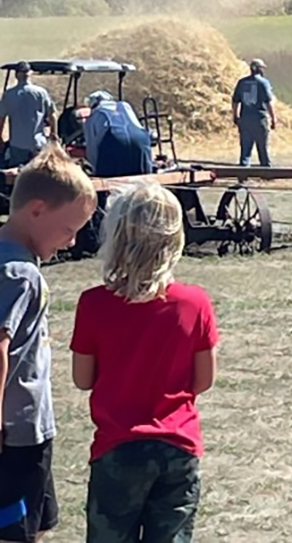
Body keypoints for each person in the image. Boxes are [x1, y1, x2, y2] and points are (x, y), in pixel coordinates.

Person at [70, 182, 218, 543]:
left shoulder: (94, 304)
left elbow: (82, 378)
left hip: (118, 447)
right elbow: (204, 380)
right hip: (178, 446)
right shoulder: (194, 303)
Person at [0, 146, 96, 543]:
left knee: (35, 524)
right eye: (68, 229)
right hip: (16, 435)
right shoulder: (19, 273)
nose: (72, 242)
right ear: (37, 210)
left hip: (31, 431)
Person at [0, 63, 57, 169]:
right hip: (38, 143)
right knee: (40, 173)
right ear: (30, 74)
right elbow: (52, 115)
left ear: (16, 75)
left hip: (17, 144)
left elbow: (1, 119)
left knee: (17, 176)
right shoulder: (41, 93)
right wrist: (53, 134)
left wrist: (1, 138)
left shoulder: (9, 95)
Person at [83, 91, 153, 177]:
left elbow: (92, 148)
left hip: (113, 140)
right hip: (140, 138)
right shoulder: (125, 106)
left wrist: (95, 170)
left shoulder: (92, 117)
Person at [232, 59, 277, 167]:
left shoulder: (242, 82)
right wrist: (273, 118)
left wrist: (235, 115)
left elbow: (235, 101)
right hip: (259, 119)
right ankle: (266, 172)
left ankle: (243, 174)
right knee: (262, 148)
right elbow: (268, 102)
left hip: (245, 119)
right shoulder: (263, 83)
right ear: (259, 69)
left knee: (245, 150)